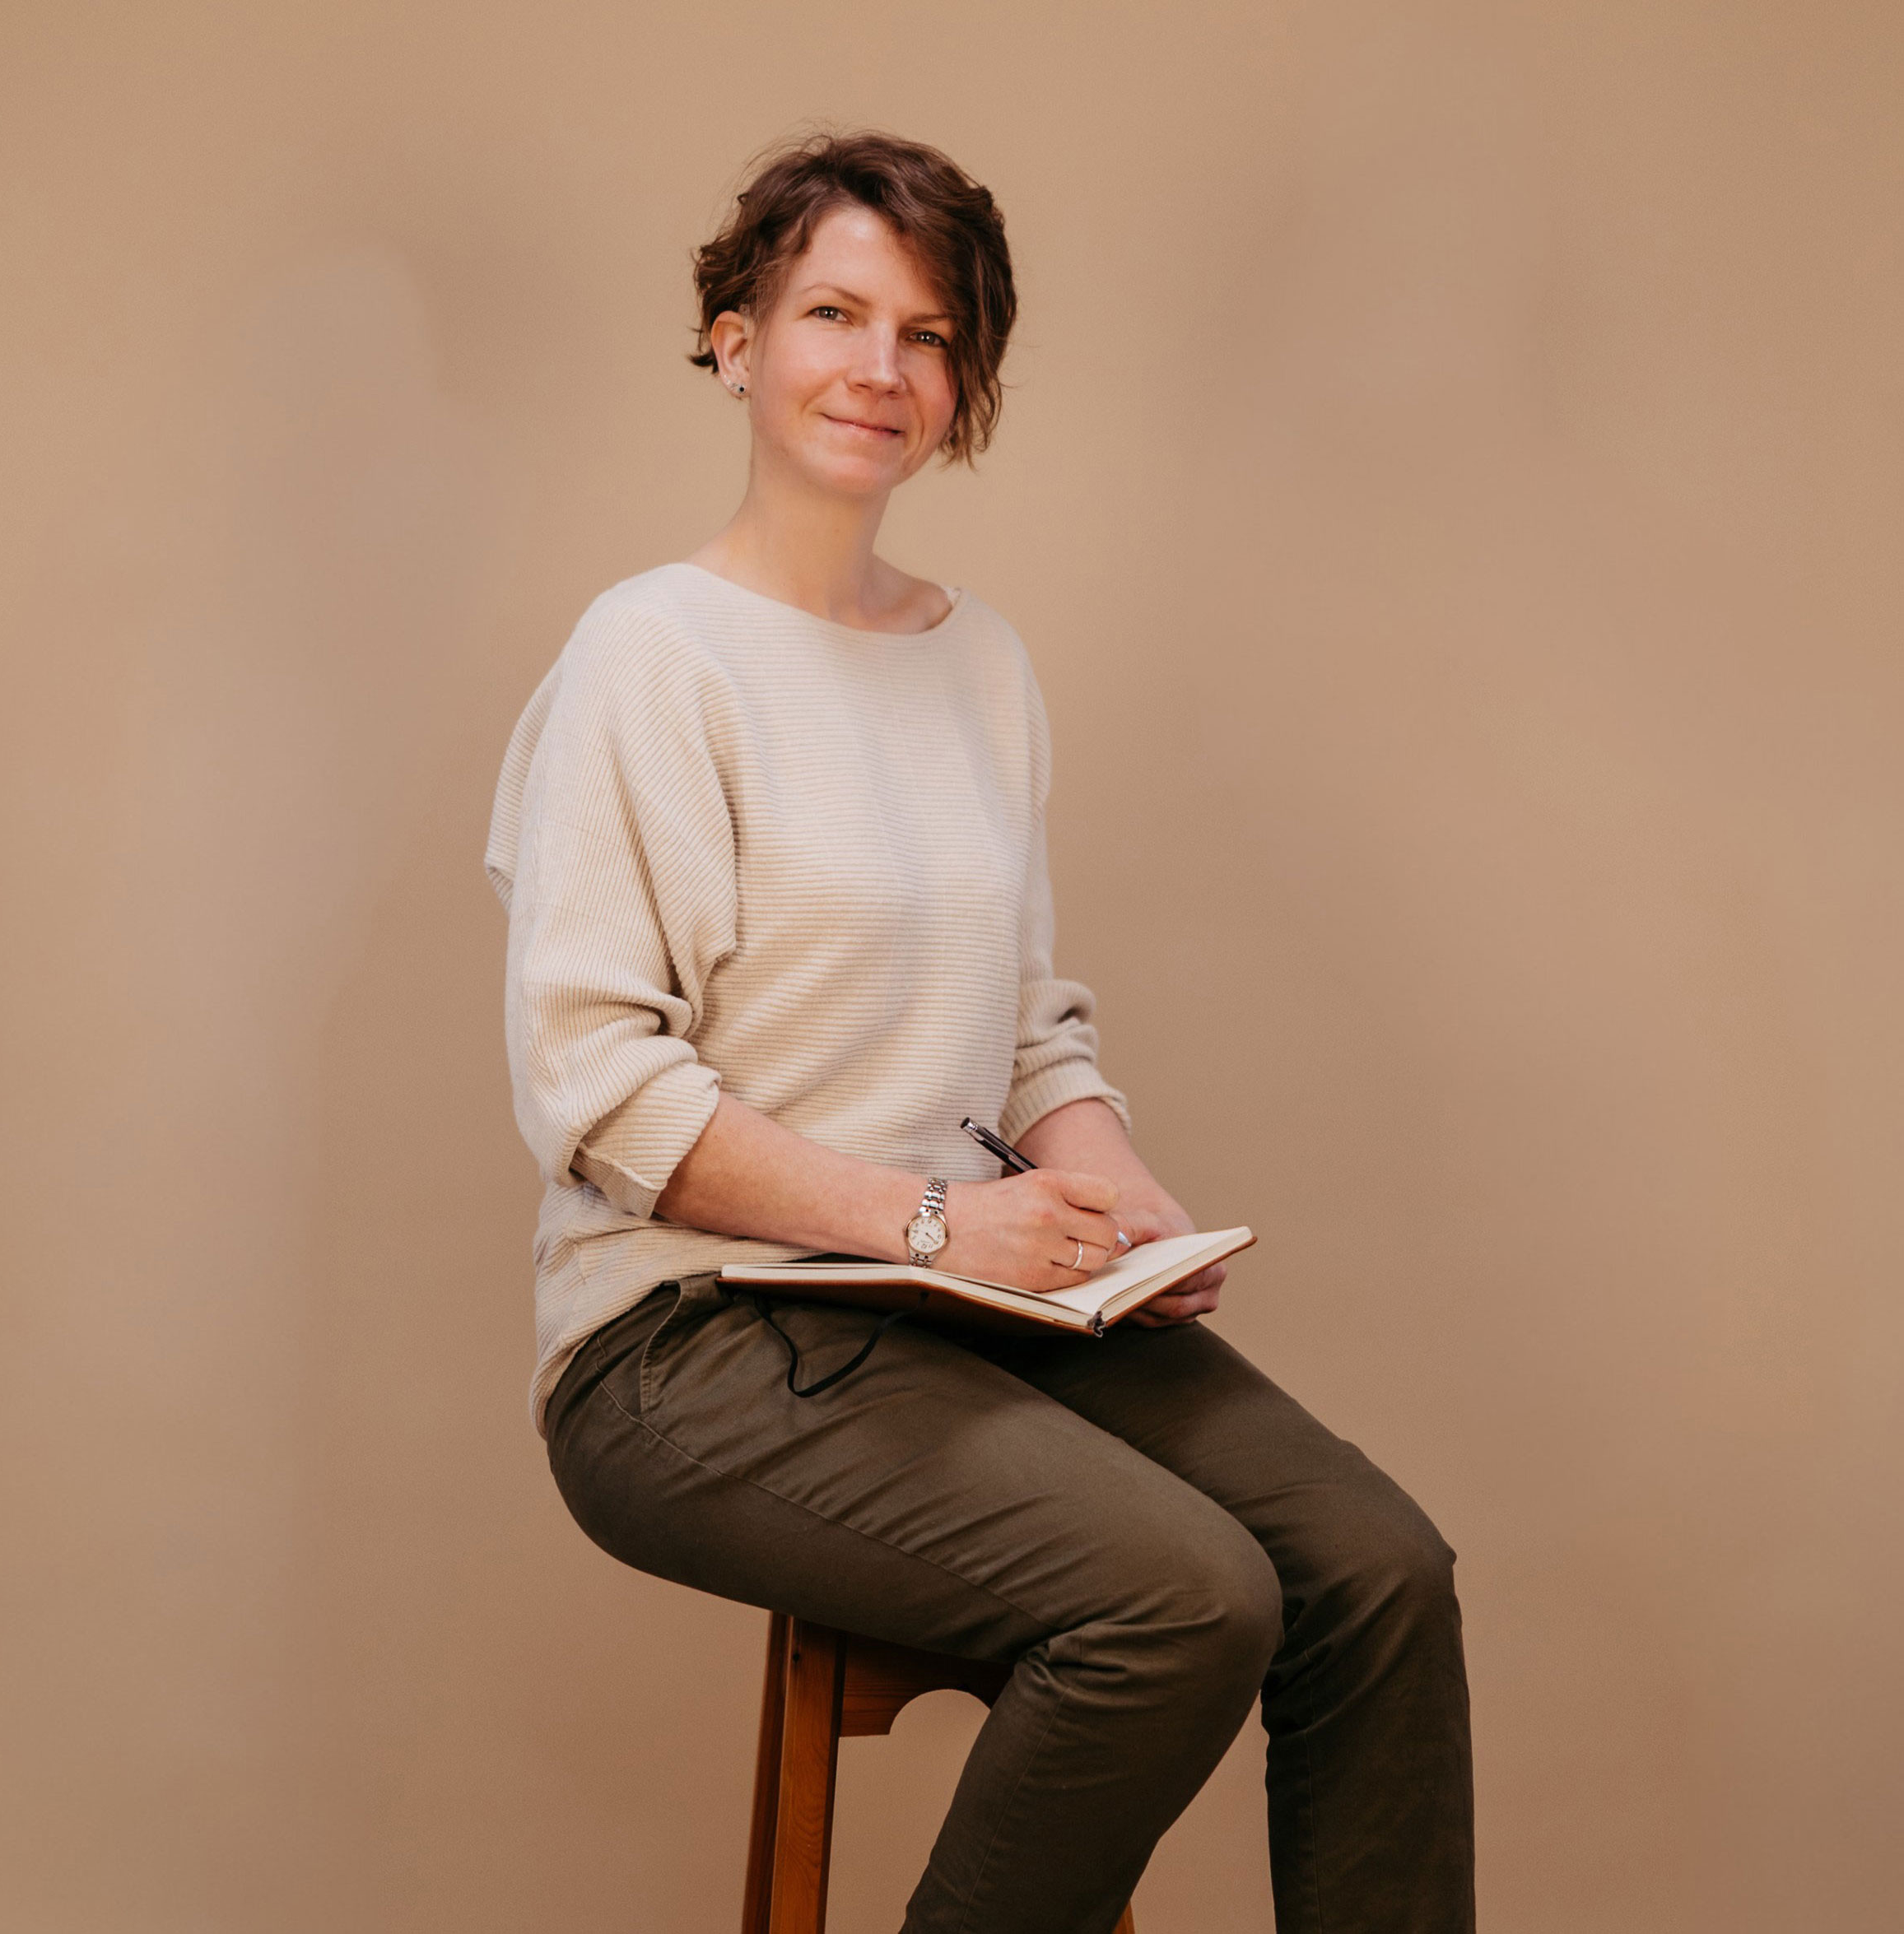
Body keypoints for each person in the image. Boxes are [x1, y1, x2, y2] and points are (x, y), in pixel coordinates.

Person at [485, 130, 1474, 1934]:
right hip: (694, 1340)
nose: (880, 365)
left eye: (929, 334)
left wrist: (1117, 1202)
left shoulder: (979, 662)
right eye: (832, 314)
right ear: (733, 341)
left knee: (1377, 1568)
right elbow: (601, 1094)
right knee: (1181, 1597)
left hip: (961, 1305)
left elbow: (1021, 1029)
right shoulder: (649, 656)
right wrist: (941, 1224)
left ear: (964, 385)